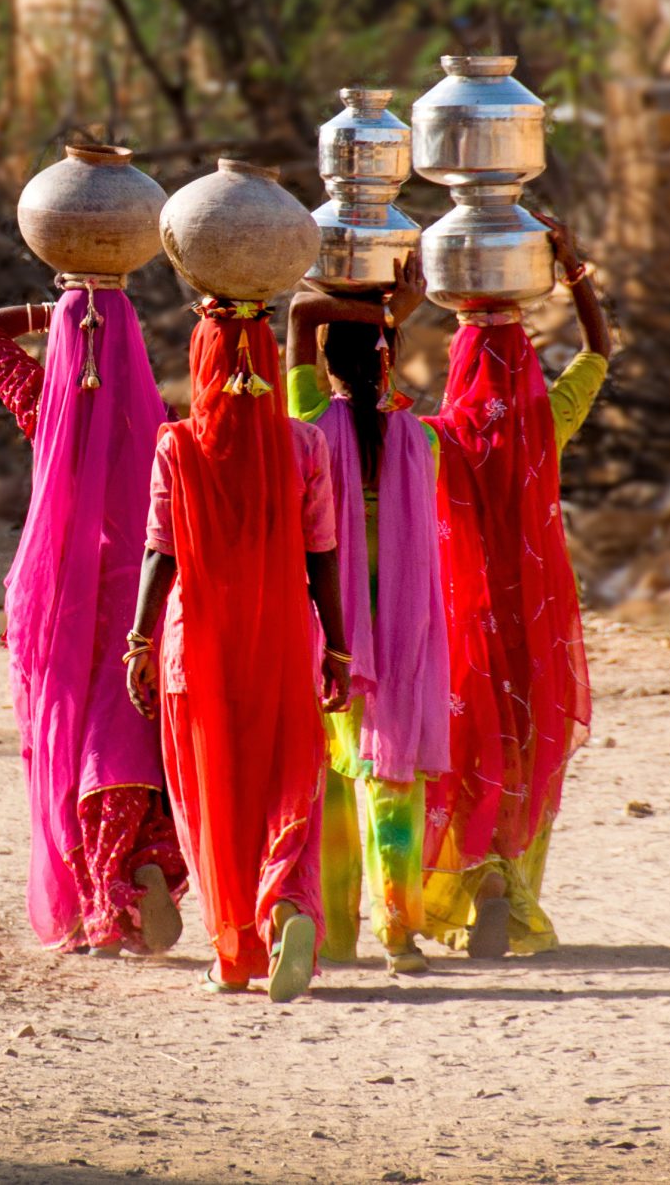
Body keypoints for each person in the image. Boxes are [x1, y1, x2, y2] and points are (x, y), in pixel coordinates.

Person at [125, 299, 351, 1002]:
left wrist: (138, 638)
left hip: (199, 649)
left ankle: (232, 954)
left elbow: (158, 552)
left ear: (202, 363)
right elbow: (324, 557)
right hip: (283, 639)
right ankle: (285, 907)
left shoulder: (177, 445)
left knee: (213, 789)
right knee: (286, 778)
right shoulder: (305, 447)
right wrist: (337, 651)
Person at [0, 285, 189, 956]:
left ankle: (99, 895)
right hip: (141, 594)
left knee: (69, 744)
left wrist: (64, 309)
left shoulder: (48, 407)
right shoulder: (167, 422)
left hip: (62, 601)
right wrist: (109, 305)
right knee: (132, 736)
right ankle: (143, 858)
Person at [423, 215, 614, 960]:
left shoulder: (437, 438)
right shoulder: (549, 419)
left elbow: (364, 410)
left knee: (470, 753)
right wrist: (574, 271)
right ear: (527, 367)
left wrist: (389, 310)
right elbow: (598, 351)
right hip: (536, 623)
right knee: (527, 750)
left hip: (464, 623)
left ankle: (477, 883)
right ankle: (512, 881)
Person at [282, 255, 462, 975]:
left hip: (332, 638)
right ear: (389, 367)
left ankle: (334, 937)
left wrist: (385, 313)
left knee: (330, 787)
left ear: (326, 364)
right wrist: (397, 316)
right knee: (394, 788)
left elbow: (297, 312)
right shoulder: (422, 442)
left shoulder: (308, 426)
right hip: (406, 636)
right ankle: (400, 934)